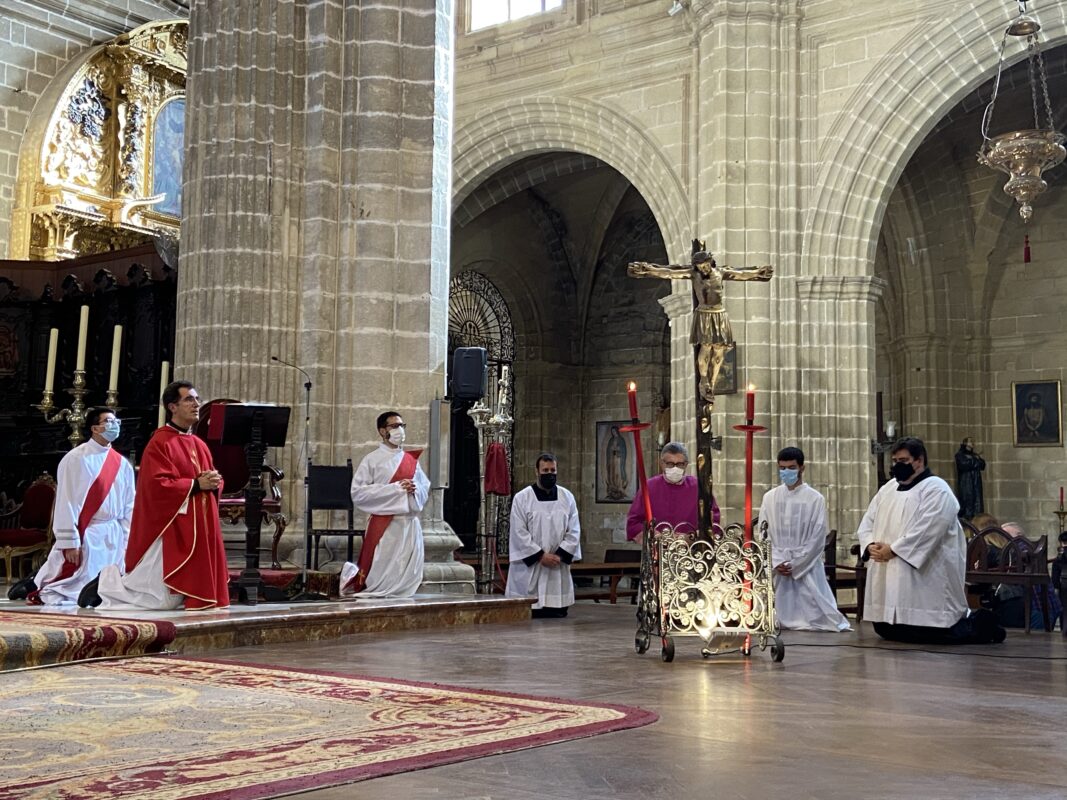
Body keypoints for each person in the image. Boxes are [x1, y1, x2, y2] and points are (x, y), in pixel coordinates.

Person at [79, 381, 230, 610]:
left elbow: (208, 481)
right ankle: (105, 584)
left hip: (198, 525)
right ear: (172, 407)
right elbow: (156, 486)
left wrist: (215, 482)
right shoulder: (160, 442)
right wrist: (196, 485)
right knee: (160, 600)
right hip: (171, 527)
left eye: (197, 399)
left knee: (174, 598)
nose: (196, 404)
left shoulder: (199, 444)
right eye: (189, 399)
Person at [857, 437, 1004, 644]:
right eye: (894, 460)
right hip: (887, 570)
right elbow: (867, 522)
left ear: (919, 461)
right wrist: (870, 545)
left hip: (926, 576)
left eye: (903, 460)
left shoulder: (937, 489)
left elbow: (928, 529)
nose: (897, 465)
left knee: (936, 633)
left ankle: (985, 626)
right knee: (887, 630)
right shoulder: (888, 489)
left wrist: (894, 550)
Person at [628, 239, 773, 413]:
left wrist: (759, 273)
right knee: (706, 348)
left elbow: (741, 274)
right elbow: (669, 272)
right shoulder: (693, 274)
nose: (703, 269)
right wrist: (648, 270)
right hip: (704, 314)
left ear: (710, 262)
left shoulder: (721, 272)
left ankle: (711, 384)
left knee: (719, 350)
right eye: (700, 266)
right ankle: (703, 380)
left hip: (719, 314)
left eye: (705, 265)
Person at [7, 408, 135, 605]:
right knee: (65, 587)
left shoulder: (122, 464)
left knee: (109, 587)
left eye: (117, 421)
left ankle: (36, 580)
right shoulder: (76, 458)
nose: (115, 426)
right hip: (87, 532)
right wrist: (70, 541)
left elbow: (129, 505)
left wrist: (128, 538)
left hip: (113, 533)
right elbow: (67, 501)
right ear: (94, 428)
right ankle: (34, 584)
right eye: (109, 422)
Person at [759, 446, 850, 632]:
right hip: (778, 562)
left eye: (791, 468)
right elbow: (762, 532)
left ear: (802, 468)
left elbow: (817, 537)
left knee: (815, 615)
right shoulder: (770, 497)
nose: (786, 472)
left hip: (805, 563)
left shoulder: (815, 499)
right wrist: (776, 561)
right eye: (782, 468)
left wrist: (796, 563)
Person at [339, 411, 428, 598]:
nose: (400, 430)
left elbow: (424, 486)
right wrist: (395, 489)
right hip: (385, 523)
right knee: (382, 567)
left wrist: (415, 489)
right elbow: (358, 492)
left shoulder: (410, 460)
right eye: (394, 426)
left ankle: (401, 594)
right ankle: (378, 589)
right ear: (382, 431)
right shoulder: (372, 459)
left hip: (409, 523)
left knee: (405, 569)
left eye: (402, 426)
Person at [506, 453, 581, 618]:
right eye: (545, 470)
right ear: (536, 471)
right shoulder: (522, 498)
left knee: (556, 610)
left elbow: (574, 530)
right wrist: (540, 555)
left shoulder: (567, 497)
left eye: (553, 470)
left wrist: (559, 555)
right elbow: (519, 532)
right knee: (528, 608)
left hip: (556, 563)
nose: (549, 474)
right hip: (532, 565)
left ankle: (556, 607)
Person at [625, 442, 719, 540]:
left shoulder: (699, 487)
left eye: (679, 464)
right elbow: (633, 523)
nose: (675, 468)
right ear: (662, 464)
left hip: (692, 550)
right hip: (658, 550)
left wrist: (692, 537)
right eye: (670, 464)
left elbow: (713, 521)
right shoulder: (648, 487)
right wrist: (653, 534)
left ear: (686, 464)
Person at [953, 437, 985, 518]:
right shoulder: (960, 455)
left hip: (976, 483)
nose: (973, 443)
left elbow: (982, 465)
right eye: (970, 441)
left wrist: (976, 459)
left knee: (977, 507)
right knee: (967, 506)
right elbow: (965, 465)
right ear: (965, 443)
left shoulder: (974, 455)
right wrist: (975, 460)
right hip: (966, 483)